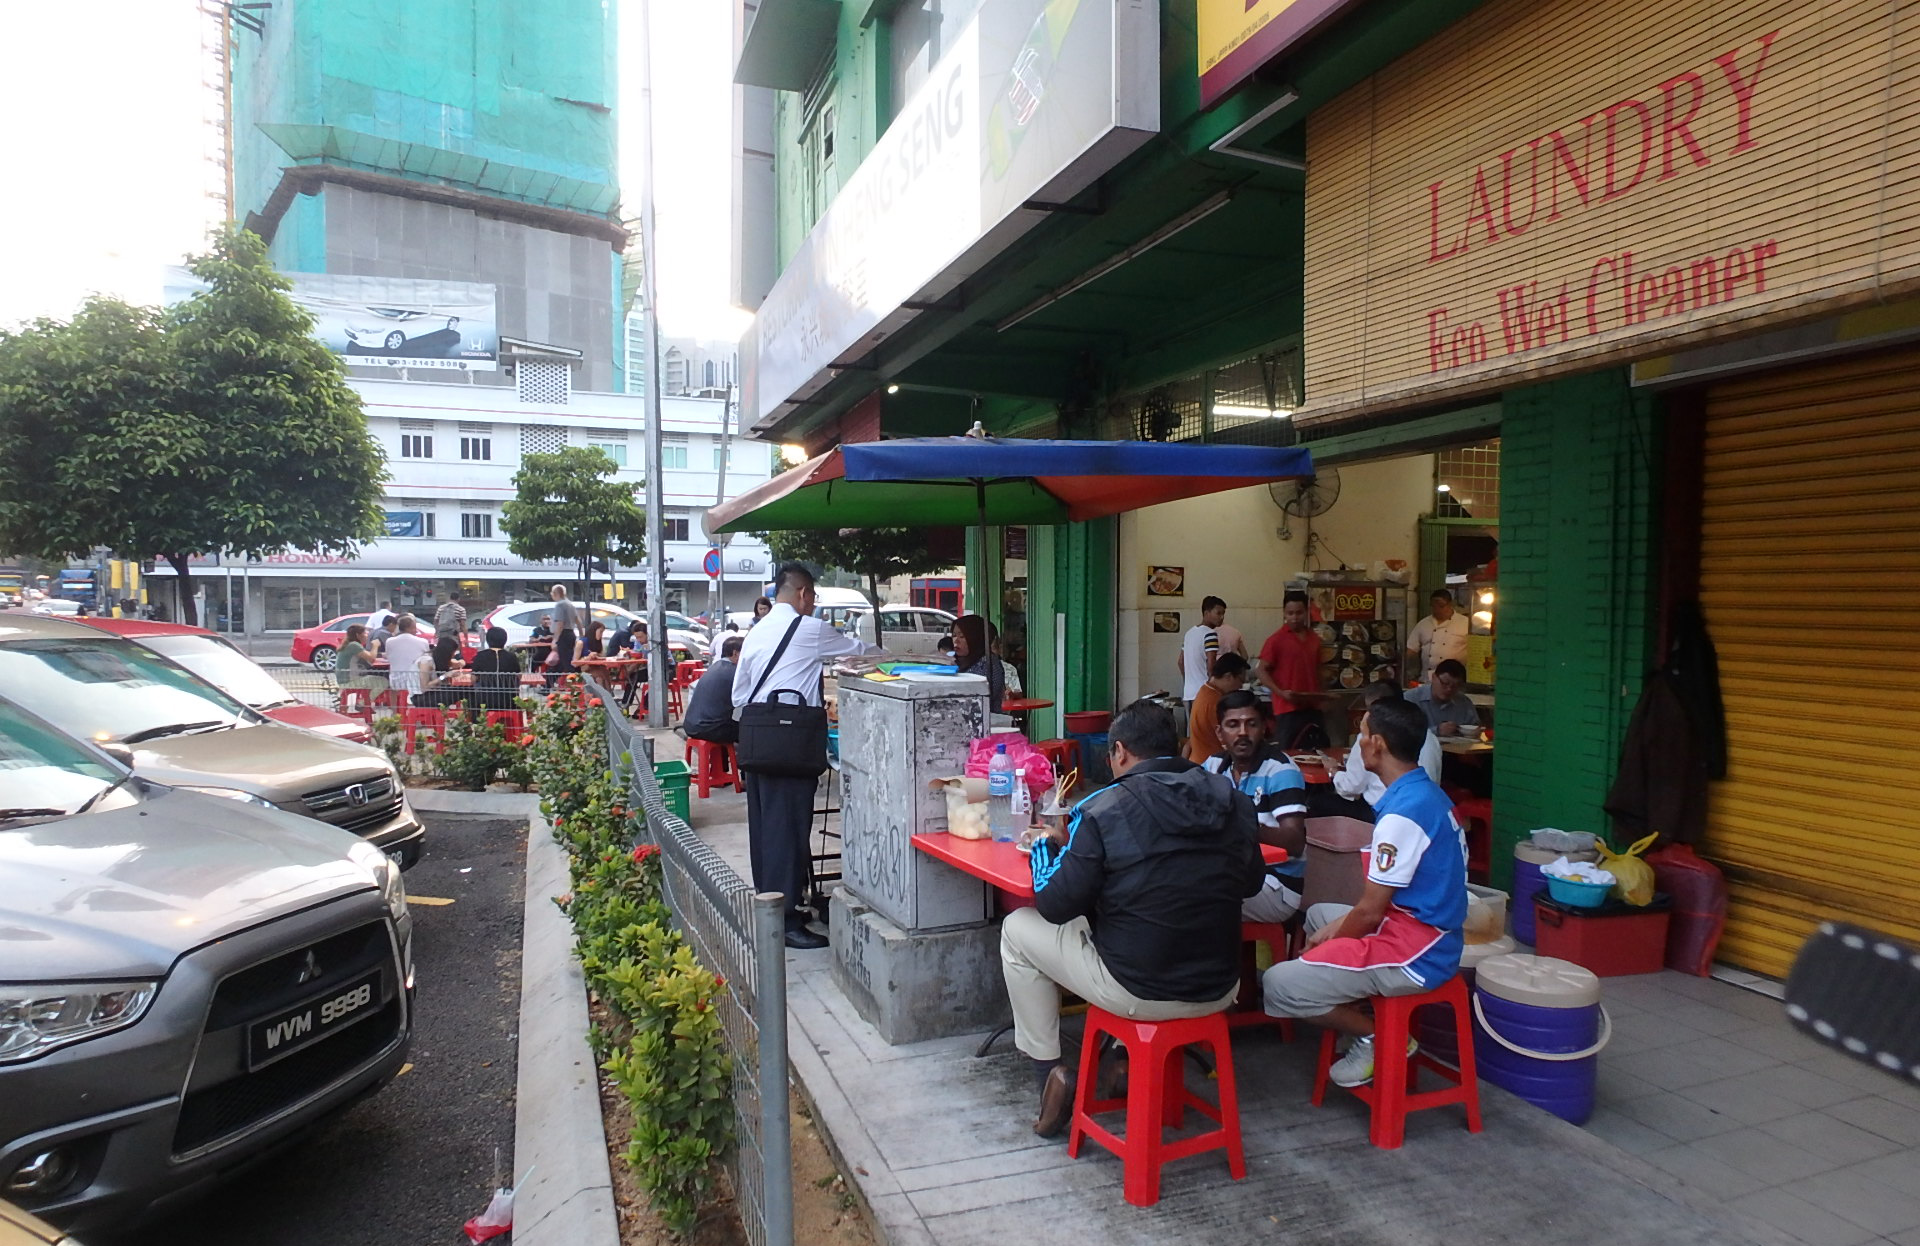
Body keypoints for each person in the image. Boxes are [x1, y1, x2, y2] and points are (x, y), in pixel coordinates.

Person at [1006, 700, 1266, 1136]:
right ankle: (1119, 1059)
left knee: (1017, 931)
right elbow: (1252, 883)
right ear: (1179, 746)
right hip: (1220, 984)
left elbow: (1054, 903)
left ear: (1120, 752)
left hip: (1139, 985)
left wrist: (1047, 847)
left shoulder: (1104, 809)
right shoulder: (1233, 802)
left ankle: (1048, 1076)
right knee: (1126, 923)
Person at [1261, 695, 1467, 1088]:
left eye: (1362, 734)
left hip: (1417, 952)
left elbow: (1371, 912)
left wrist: (1332, 941)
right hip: (1431, 930)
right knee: (1320, 913)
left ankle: (1375, 1036)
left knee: (1279, 983)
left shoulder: (1404, 814)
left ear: (1378, 745)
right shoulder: (1425, 794)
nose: (1358, 742)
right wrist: (1333, 931)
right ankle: (1354, 1005)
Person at [732, 563, 882, 949]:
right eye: (813, 596)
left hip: (757, 743)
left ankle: (773, 906)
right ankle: (784, 924)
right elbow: (859, 651)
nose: (813, 603)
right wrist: (893, 656)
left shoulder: (756, 631)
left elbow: (739, 695)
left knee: (766, 830)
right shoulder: (809, 629)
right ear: (803, 593)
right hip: (791, 744)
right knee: (790, 829)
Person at [1200, 690, 1311, 924]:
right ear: (1220, 733)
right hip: (1230, 870)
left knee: (1197, 901)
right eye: (1232, 725)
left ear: (1263, 729)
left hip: (1275, 884)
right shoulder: (1213, 766)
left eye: (1251, 724)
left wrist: (1240, 823)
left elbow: (1294, 841)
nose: (1242, 732)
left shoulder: (1281, 770)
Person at [1332, 681, 1444, 805]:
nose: (1368, 716)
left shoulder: (1373, 733)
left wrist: (1333, 773)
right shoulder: (1428, 736)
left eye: (1372, 711)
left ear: (1377, 743)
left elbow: (1352, 786)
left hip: (1382, 807)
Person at [1256, 590, 1326, 749]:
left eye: (1299, 613)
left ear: (1307, 612)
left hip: (1313, 708)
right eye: (1290, 613)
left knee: (1318, 752)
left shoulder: (1314, 639)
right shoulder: (1275, 640)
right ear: (1284, 613)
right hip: (1287, 710)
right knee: (1289, 754)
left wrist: (1323, 696)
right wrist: (1280, 692)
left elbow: (1318, 670)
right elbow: (1261, 670)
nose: (1294, 618)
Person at [1177, 596, 1248, 704]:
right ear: (1206, 613)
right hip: (1205, 693)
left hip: (1189, 693)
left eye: (1223, 614)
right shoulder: (1210, 634)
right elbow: (1211, 665)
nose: (1221, 617)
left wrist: (1189, 681)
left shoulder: (1189, 633)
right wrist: (1213, 688)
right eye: (1218, 613)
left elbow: (1180, 662)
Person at [1184, 652, 1249, 763]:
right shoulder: (1215, 702)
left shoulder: (1205, 691)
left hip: (1200, 761)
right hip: (1211, 766)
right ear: (1228, 676)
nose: (1240, 686)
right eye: (1240, 681)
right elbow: (1229, 742)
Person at [684, 635, 743, 743]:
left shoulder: (714, 667)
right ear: (735, 653)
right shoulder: (735, 672)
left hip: (691, 725)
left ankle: (722, 759)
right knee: (750, 730)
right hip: (708, 729)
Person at [1405, 589, 1470, 686]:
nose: (1437, 610)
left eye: (1441, 606)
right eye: (1433, 606)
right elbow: (1411, 650)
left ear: (1450, 604)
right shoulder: (1423, 624)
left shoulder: (1465, 623)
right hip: (1426, 680)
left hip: (1454, 681)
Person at [1407, 658, 1482, 736]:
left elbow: (1475, 726)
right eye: (1445, 683)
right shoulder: (1412, 699)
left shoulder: (1464, 702)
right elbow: (1403, 733)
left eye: (1455, 686)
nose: (1449, 689)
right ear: (1434, 678)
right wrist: (1437, 730)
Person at [951, 614, 1005, 712]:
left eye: (962, 636)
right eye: (954, 635)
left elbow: (976, 699)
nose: (956, 640)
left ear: (975, 638)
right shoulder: (959, 662)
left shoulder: (988, 664)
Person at [466, 627, 523, 711]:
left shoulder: (480, 656)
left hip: (485, 700)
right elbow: (518, 676)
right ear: (505, 640)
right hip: (508, 700)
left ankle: (477, 721)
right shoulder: (511, 657)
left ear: (488, 640)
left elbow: (473, 679)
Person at [383, 614, 432, 697]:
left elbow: (388, 656)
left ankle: (394, 709)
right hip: (416, 682)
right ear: (410, 627)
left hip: (396, 681)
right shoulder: (423, 642)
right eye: (415, 627)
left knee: (392, 689)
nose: (416, 630)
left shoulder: (389, 641)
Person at [335, 624, 387, 700]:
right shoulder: (354, 645)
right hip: (349, 681)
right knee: (383, 681)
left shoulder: (350, 644)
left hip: (345, 680)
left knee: (373, 680)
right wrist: (375, 646)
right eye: (365, 633)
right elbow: (371, 658)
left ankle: (364, 703)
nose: (367, 635)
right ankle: (363, 703)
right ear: (358, 635)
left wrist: (381, 654)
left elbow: (368, 655)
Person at [548, 584, 583, 681]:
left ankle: (575, 681)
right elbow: (578, 620)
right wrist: (581, 635)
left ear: (556, 593)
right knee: (564, 660)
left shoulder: (560, 605)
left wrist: (555, 639)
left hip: (563, 634)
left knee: (565, 661)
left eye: (552, 593)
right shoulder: (570, 604)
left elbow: (560, 623)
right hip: (571, 633)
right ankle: (548, 683)